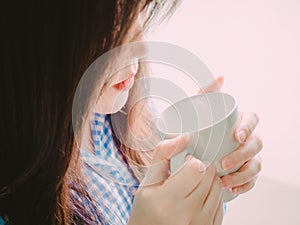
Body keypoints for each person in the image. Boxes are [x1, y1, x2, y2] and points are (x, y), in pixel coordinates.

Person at [0, 1, 263, 225]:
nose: (141, 47)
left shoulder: (117, 110)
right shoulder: (12, 199)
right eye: (115, 29)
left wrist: (209, 160)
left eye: (137, 15)